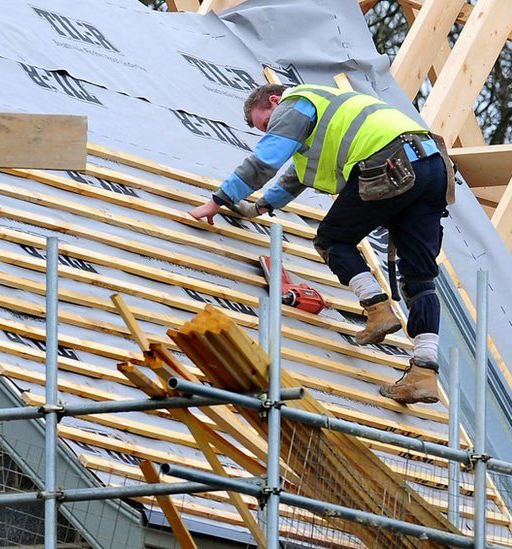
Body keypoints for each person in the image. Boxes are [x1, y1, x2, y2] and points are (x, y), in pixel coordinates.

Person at [189, 83, 455, 405]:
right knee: (420, 279)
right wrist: (260, 207)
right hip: (433, 164)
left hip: (390, 162)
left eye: (266, 124)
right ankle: (425, 373)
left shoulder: (296, 103)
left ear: (275, 100)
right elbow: (298, 175)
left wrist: (218, 200)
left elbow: (265, 161)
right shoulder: (329, 112)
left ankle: (377, 309)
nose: (269, 132)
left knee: (332, 239)